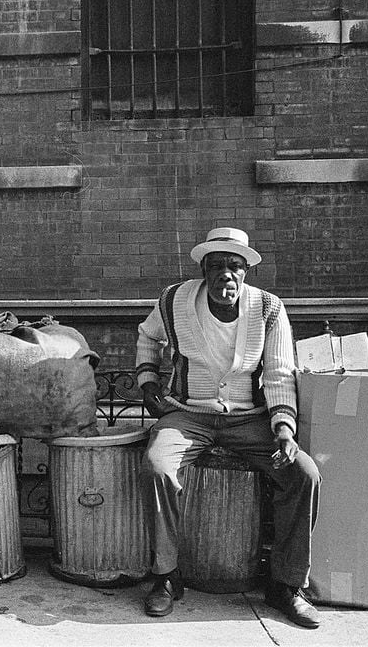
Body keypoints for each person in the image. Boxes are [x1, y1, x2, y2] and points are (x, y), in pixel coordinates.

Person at [135, 227, 322, 629]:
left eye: (235, 267)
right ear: (203, 271)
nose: (226, 275)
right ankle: (166, 576)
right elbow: (148, 336)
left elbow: (277, 372)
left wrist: (284, 429)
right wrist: (148, 381)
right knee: (157, 467)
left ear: (246, 273)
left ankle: (285, 585)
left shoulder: (269, 309)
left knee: (304, 474)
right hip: (188, 415)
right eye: (216, 266)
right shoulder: (174, 300)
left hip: (249, 419)